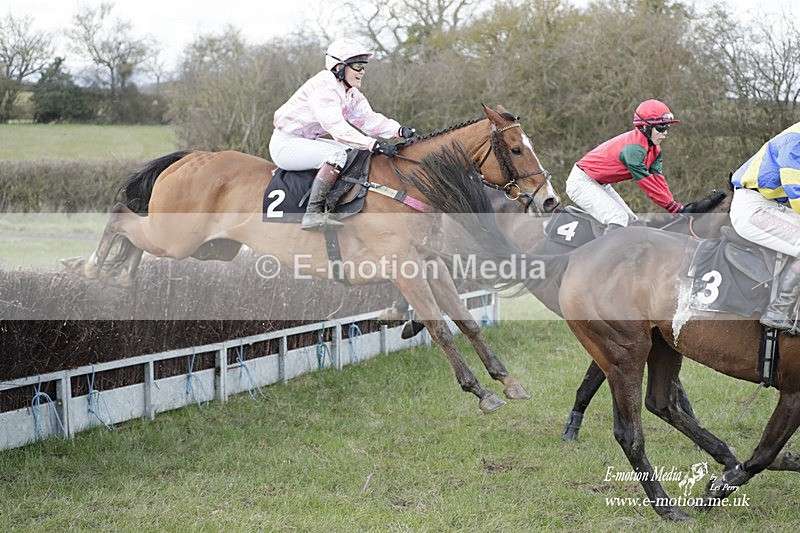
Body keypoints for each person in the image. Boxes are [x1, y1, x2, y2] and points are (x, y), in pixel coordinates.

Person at [269, 38, 415, 231]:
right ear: (339, 66)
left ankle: (338, 203)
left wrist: (398, 130)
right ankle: (312, 214)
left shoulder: (349, 92)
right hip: (286, 145)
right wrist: (373, 144)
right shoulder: (323, 88)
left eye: (363, 66)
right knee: (338, 155)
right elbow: (337, 129)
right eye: (357, 66)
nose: (362, 71)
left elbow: (368, 120)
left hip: (306, 141)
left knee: (354, 152)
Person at [565, 99, 684, 230]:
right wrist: (673, 208)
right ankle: (604, 251)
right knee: (618, 219)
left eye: (667, 127)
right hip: (581, 182)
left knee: (633, 223)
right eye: (661, 127)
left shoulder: (655, 150)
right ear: (645, 127)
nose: (665, 132)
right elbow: (648, 184)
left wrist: (675, 207)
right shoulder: (634, 150)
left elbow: (658, 180)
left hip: (599, 183)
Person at [730, 121, 800, 332]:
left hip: (770, 207)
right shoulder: (796, 140)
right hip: (752, 209)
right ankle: (778, 311)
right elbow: (795, 192)